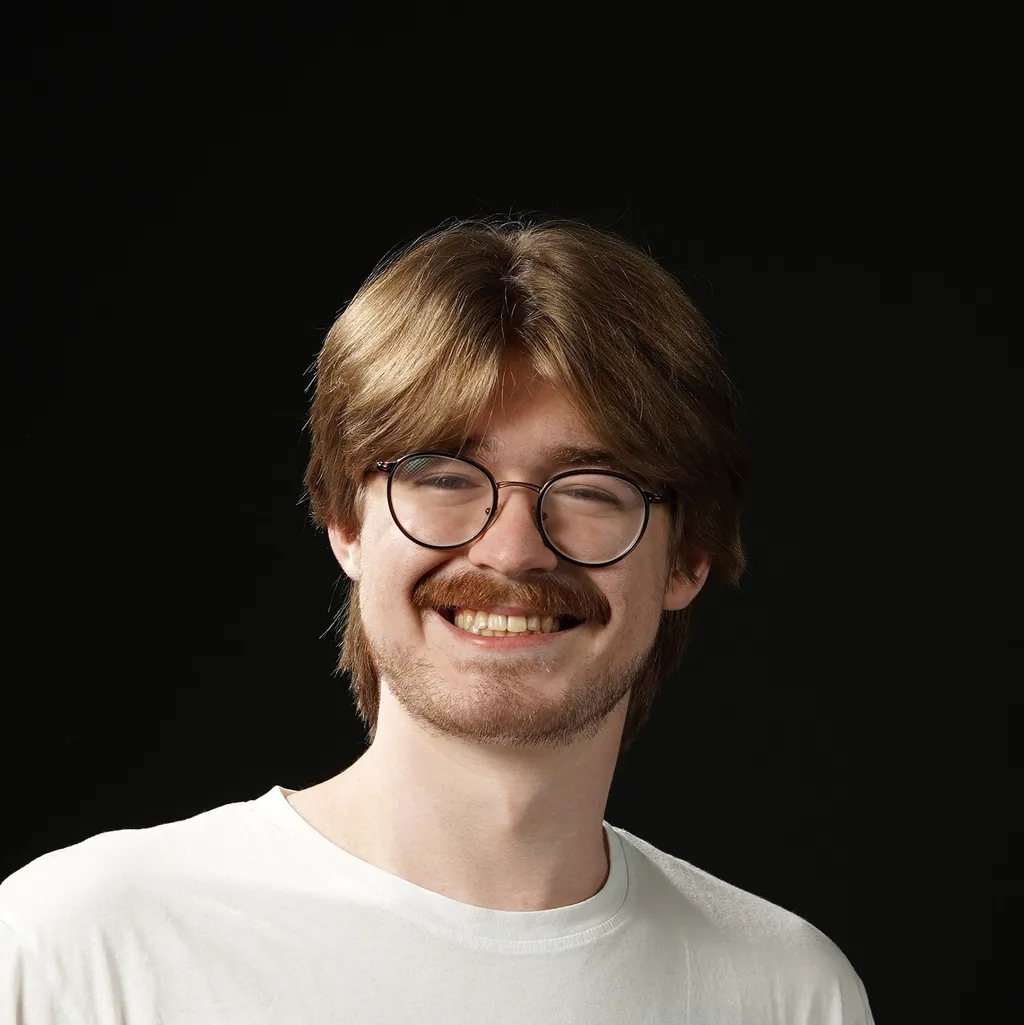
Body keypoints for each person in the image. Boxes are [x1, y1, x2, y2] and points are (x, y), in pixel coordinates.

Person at [0, 218, 875, 1023]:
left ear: (689, 558)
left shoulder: (788, 992)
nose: (512, 550)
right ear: (345, 523)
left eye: (592, 489)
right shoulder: (77, 946)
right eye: (445, 477)